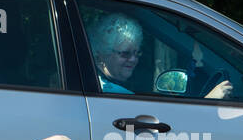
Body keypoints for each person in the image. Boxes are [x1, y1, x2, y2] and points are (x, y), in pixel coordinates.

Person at [88, 12, 231, 99]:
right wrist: (208, 100)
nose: (133, 59)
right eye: (125, 53)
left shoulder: (98, 85)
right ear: (101, 55)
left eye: (137, 52)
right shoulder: (109, 92)